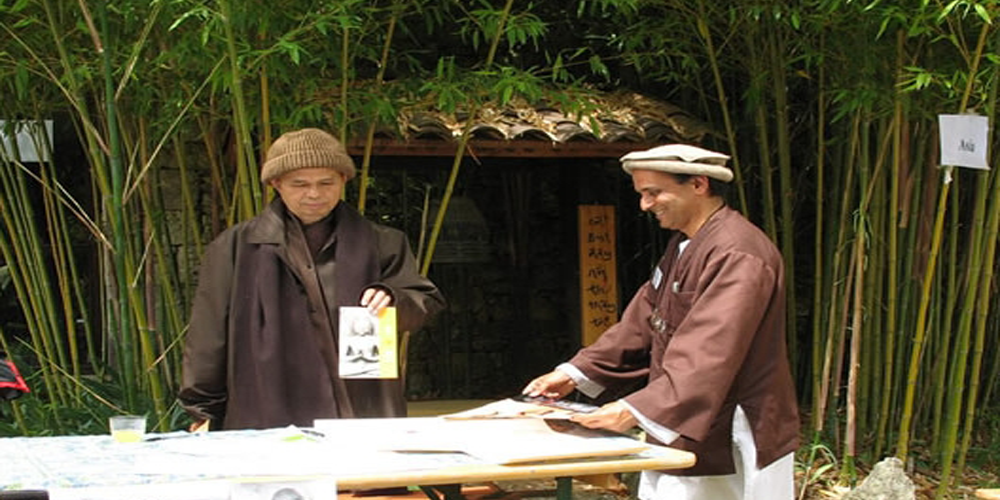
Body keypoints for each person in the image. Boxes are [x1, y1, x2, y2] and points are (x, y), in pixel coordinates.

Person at [523, 144, 799, 500]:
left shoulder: (737, 252)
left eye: (653, 193)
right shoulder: (685, 245)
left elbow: (710, 350)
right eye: (642, 194)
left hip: (732, 420)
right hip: (685, 412)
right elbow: (641, 323)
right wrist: (574, 373)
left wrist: (635, 409)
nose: (645, 205)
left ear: (698, 184)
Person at [179, 128, 445, 430]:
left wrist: (394, 298)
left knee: (359, 476)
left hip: (359, 401)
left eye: (326, 183)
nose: (314, 194)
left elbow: (425, 300)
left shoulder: (381, 242)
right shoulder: (235, 247)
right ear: (276, 184)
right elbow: (208, 333)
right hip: (268, 399)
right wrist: (203, 409)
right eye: (300, 184)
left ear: (343, 180)